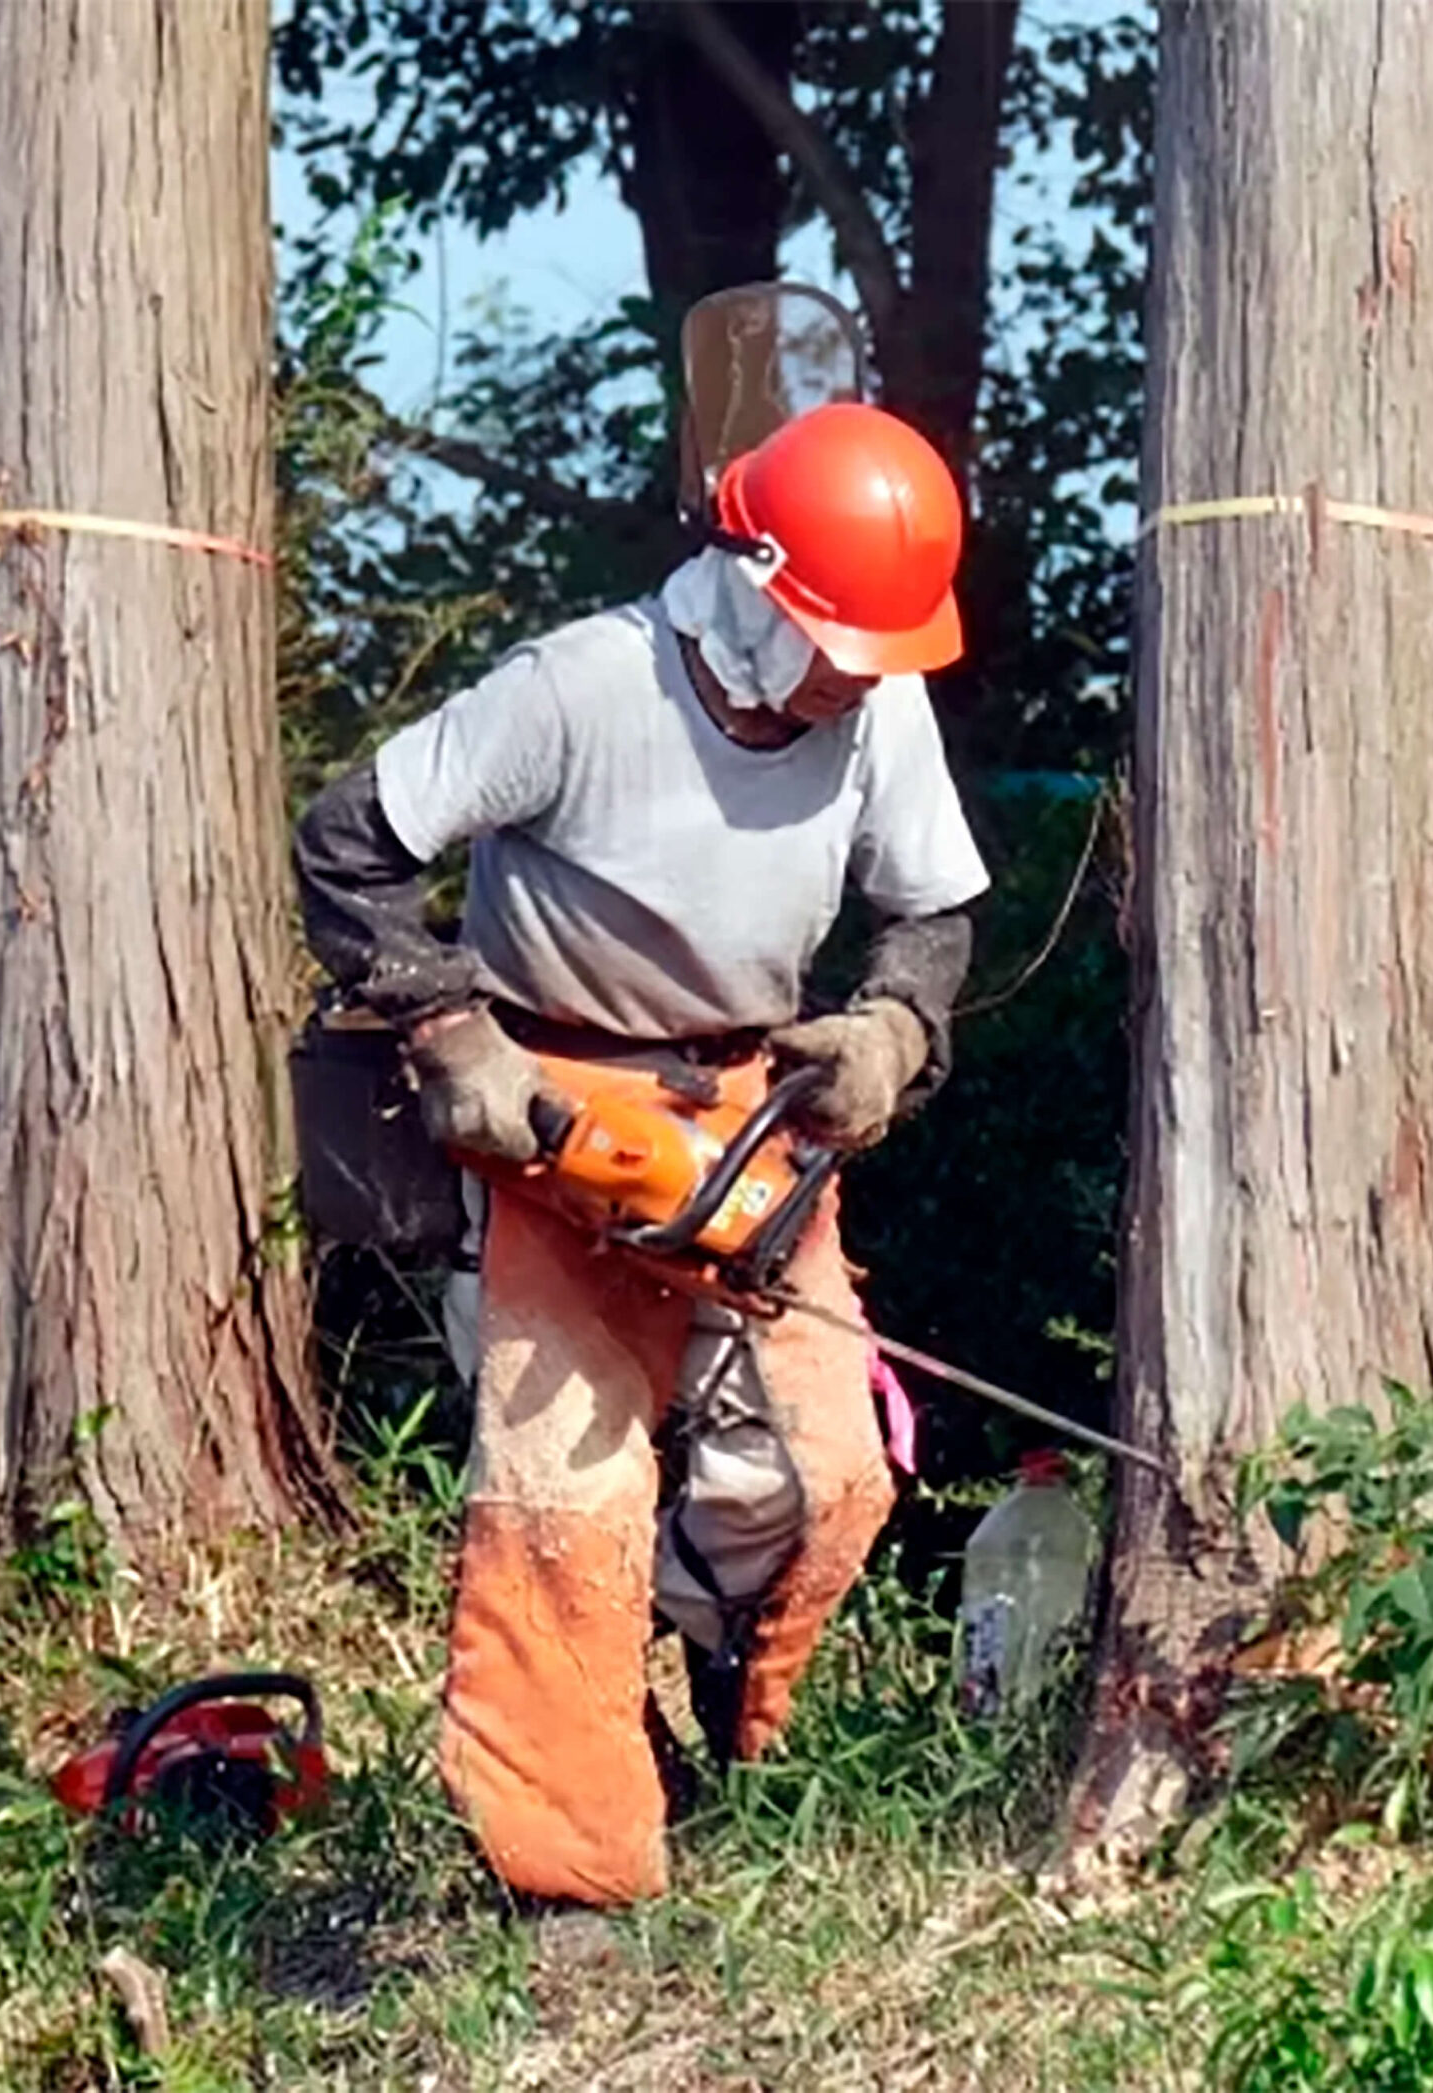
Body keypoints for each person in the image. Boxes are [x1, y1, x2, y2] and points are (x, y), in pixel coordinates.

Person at [292, 400, 989, 1906]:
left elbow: (935, 908)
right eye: (836, 648)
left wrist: (892, 1029)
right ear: (754, 583)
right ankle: (569, 1875)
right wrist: (449, 1031)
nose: (851, 680)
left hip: (751, 1111)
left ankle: (712, 1707)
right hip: (551, 1116)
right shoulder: (582, 688)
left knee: (826, 1476)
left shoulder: (877, 698)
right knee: (564, 1502)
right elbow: (346, 842)